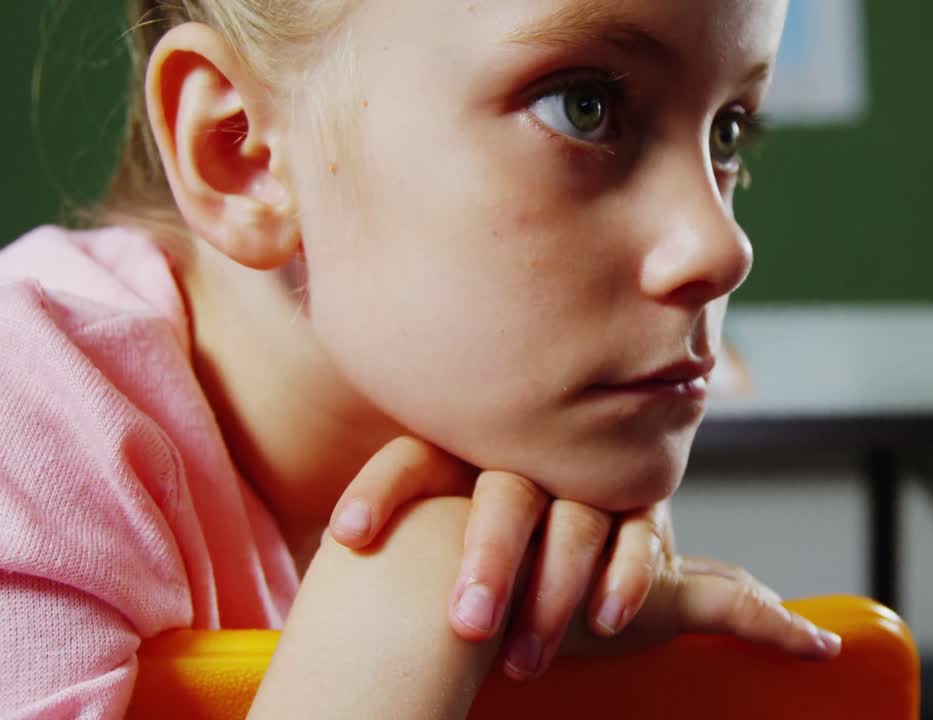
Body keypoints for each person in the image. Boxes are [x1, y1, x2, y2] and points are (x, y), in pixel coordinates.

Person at [0, 0, 839, 717]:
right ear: (242, 152)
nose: (720, 248)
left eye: (729, 130)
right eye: (584, 105)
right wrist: (415, 588)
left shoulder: (520, 454)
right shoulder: (27, 421)